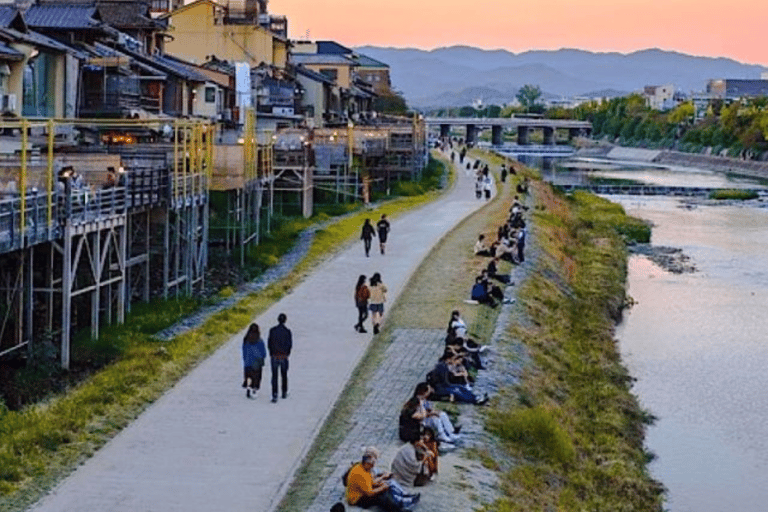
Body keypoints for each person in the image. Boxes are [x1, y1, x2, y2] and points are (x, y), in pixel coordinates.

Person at [345, 453, 418, 511]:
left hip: (364, 491)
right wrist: (382, 488)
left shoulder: (363, 468)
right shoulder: (360, 474)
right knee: (382, 496)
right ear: (366, 463)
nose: (373, 466)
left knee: (386, 485)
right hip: (358, 499)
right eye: (371, 464)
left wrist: (380, 483)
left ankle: (402, 499)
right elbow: (369, 493)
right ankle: (398, 509)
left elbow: (371, 482)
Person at [267, 313, 292, 403]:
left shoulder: (272, 330)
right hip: (283, 356)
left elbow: (269, 343)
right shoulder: (287, 331)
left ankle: (274, 394)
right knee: (284, 375)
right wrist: (287, 354)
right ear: (285, 320)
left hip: (274, 356)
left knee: (274, 376)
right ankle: (284, 392)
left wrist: (271, 353)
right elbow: (289, 345)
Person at [241, 323, 266, 399]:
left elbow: (243, 350)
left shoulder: (246, 339)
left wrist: (245, 359)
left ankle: (248, 387)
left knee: (248, 376)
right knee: (256, 376)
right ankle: (254, 388)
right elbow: (263, 352)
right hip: (257, 361)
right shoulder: (259, 340)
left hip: (248, 361)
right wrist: (262, 357)